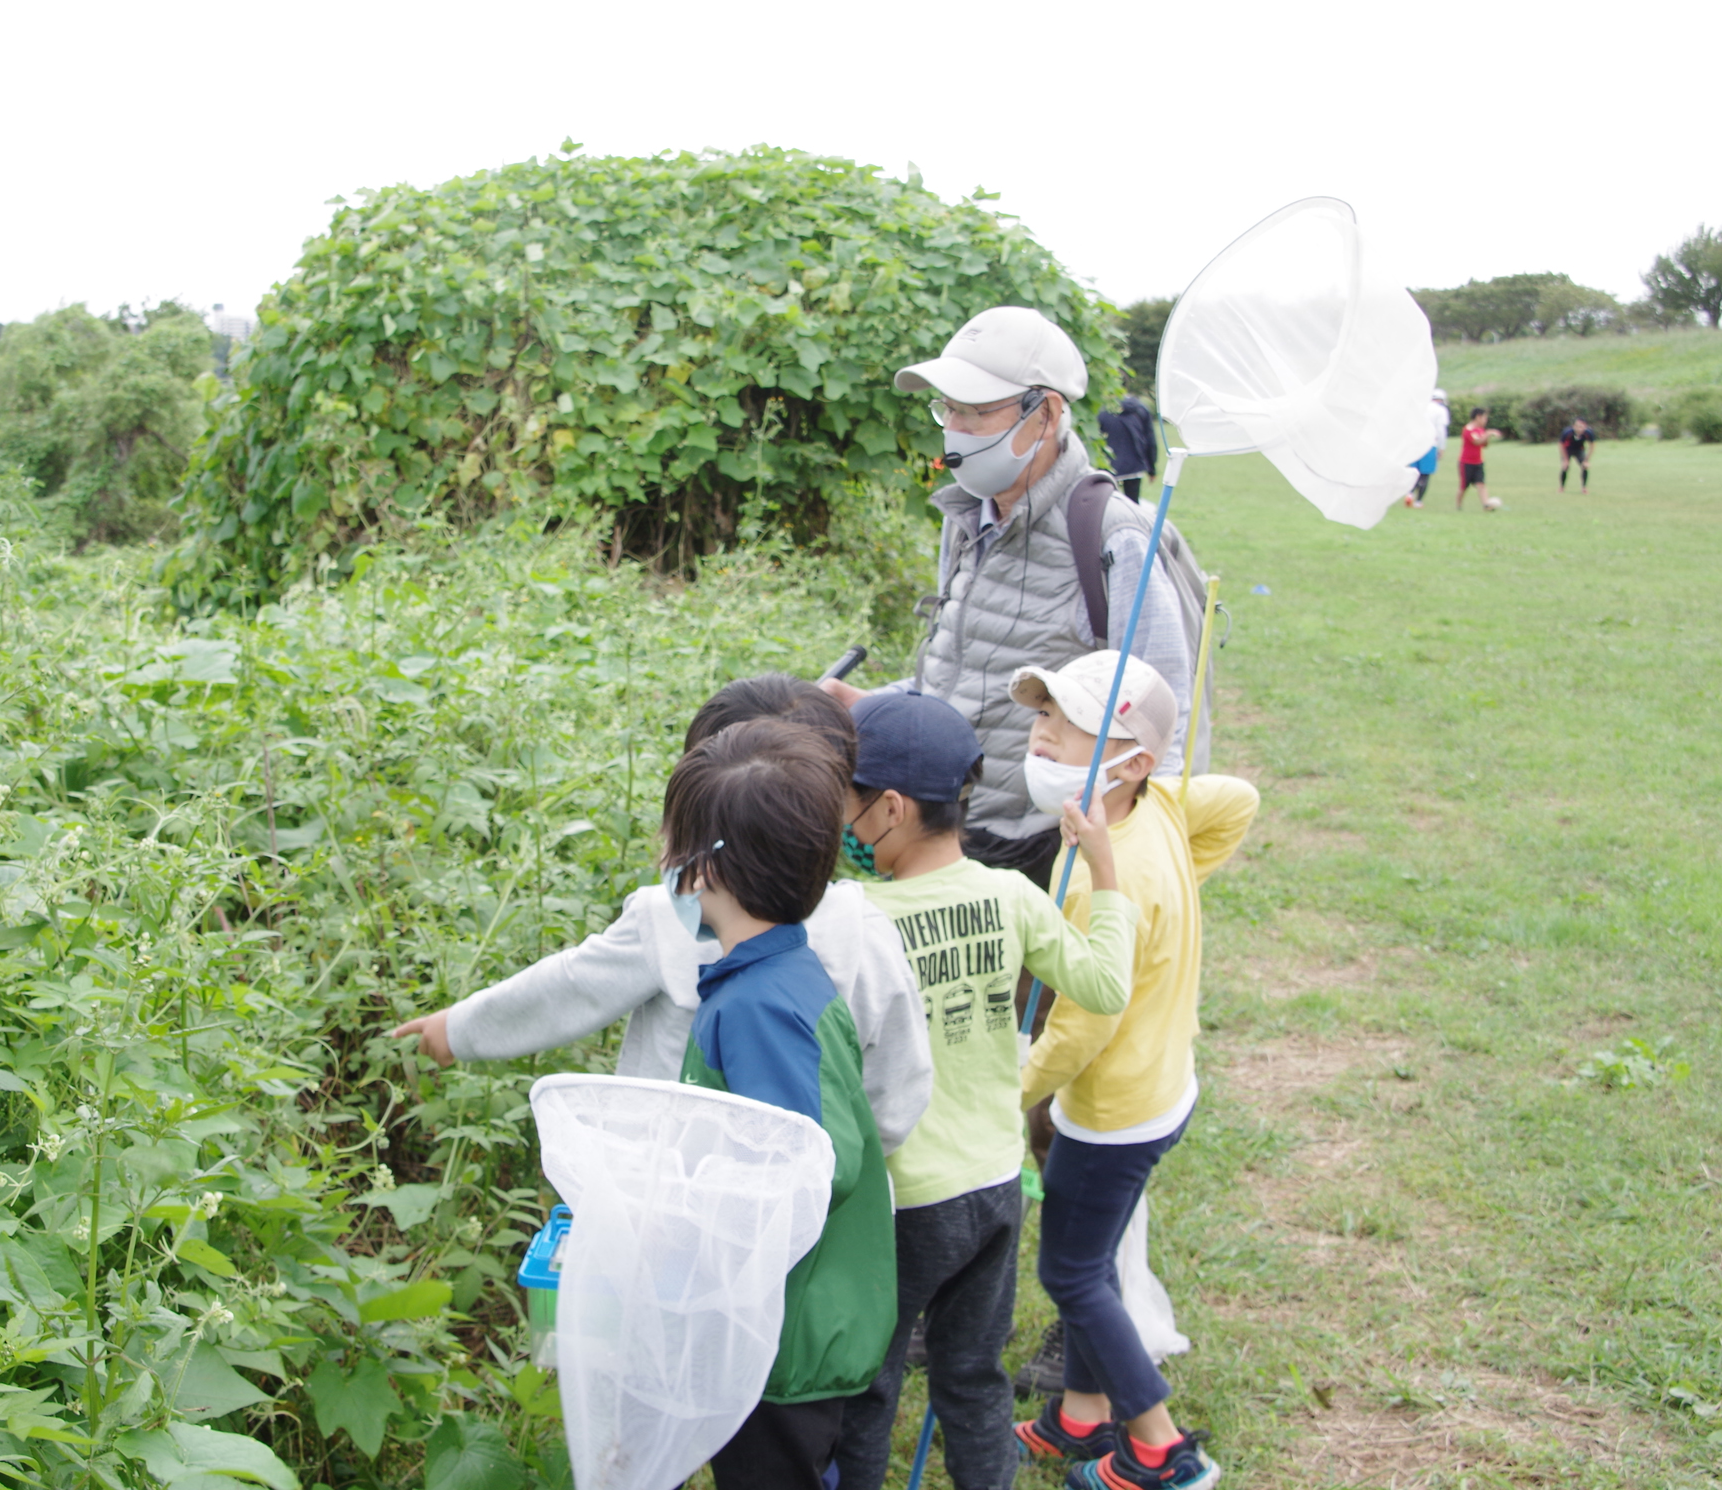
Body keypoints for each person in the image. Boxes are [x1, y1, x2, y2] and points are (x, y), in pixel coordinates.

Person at [387, 674, 933, 1153]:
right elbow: (896, 1092)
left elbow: (572, 986)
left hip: (669, 1188)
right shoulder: (866, 930)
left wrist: (457, 1028)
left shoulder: (667, 916)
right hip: (807, 1211)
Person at [831, 693, 1136, 1490]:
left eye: (847, 803)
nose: (842, 822)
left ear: (890, 807)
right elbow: (1104, 984)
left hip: (903, 1202)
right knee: (973, 1377)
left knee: (869, 1385)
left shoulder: (853, 916)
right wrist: (1105, 866)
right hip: (998, 1187)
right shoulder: (1010, 895)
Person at [823, 308, 1202, 895]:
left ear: (1045, 414)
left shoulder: (1112, 537)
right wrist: (875, 704)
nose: (954, 428)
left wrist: (1134, 858)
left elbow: (1166, 717)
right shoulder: (966, 517)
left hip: (1043, 846)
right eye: (947, 409)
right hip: (948, 829)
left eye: (975, 412)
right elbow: (969, 665)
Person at [1010, 653, 1259, 1490]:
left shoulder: (1101, 879)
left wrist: (1008, 1093)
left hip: (1110, 1111)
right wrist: (1185, 855)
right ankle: (1081, 1415)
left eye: (1070, 729)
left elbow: (1079, 1030)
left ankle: (1158, 1445)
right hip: (1163, 1087)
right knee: (1095, 1255)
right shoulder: (1155, 814)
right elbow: (1240, 799)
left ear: (1133, 761)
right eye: (1041, 718)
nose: (1041, 738)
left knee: (1071, 1271)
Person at [663, 720, 897, 1489]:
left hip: (784, 1338)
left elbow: (818, 1165)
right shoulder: (778, 971)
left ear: (707, 868)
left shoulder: (759, 1007)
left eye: (674, 841)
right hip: (795, 1319)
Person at [1099, 395, 1158, 503]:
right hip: (1134, 465)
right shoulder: (1141, 409)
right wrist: (1151, 470)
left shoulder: (1102, 409)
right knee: (1133, 505)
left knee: (1108, 506)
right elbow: (1150, 440)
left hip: (1109, 466)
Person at [1406, 386, 1448, 508]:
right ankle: (1418, 501)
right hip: (1430, 445)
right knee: (1425, 474)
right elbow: (1441, 431)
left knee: (1414, 472)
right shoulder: (1440, 411)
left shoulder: (1421, 406)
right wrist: (1442, 447)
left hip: (1415, 444)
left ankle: (1409, 494)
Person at [1455, 406, 1500, 511]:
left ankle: (1486, 505)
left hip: (1478, 462)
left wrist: (1487, 437)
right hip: (1466, 462)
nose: (1486, 420)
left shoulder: (1481, 430)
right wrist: (1488, 433)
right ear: (1478, 417)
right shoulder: (1468, 429)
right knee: (1464, 486)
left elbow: (1484, 445)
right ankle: (1458, 506)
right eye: (1484, 418)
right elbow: (1476, 442)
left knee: (1481, 484)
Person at [1559, 416, 1596, 494]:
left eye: (1582, 427)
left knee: (1585, 466)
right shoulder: (1567, 432)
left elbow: (1592, 446)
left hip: (1579, 450)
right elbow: (1561, 445)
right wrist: (1565, 460)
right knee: (1565, 467)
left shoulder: (1588, 433)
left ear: (1585, 427)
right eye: (1578, 426)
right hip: (1567, 450)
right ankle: (1561, 487)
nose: (1579, 428)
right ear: (1574, 426)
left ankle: (1584, 488)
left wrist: (1586, 460)